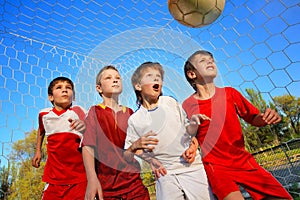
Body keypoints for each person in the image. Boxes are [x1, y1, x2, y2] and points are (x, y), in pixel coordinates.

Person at [182, 50, 293, 200]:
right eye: (202, 61)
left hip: (244, 161)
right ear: (191, 74)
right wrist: (192, 146)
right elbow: (191, 135)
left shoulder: (230, 94)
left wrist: (266, 118)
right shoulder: (187, 105)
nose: (210, 62)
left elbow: (253, 118)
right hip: (217, 166)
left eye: (211, 59)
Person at [125, 62, 214, 200]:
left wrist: (193, 144)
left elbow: (189, 133)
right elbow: (128, 153)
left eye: (158, 77)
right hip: (165, 173)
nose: (156, 80)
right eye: (150, 76)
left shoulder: (170, 103)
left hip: (192, 167)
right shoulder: (135, 120)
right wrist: (147, 157)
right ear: (138, 86)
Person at [81, 65, 166, 200]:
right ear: (99, 88)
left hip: (133, 183)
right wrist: (92, 179)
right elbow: (88, 146)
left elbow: (134, 147)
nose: (115, 80)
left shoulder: (131, 113)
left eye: (118, 78)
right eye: (108, 78)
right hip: (108, 187)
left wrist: (150, 160)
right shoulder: (94, 112)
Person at [32, 76, 87, 200]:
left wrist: (85, 126)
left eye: (68, 88)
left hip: (79, 177)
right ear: (50, 97)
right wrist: (38, 151)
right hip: (54, 178)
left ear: (74, 96)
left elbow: (92, 133)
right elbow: (41, 131)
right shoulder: (44, 115)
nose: (65, 90)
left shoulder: (78, 111)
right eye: (59, 87)